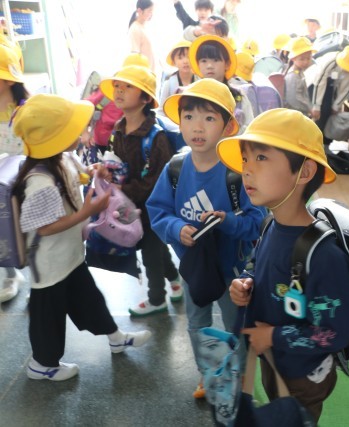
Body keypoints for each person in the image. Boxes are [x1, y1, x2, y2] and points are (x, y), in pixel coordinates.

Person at [220, 108, 349, 422]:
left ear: (304, 172)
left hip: (304, 375)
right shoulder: (270, 224)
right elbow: (258, 262)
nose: (247, 170)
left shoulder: (323, 255)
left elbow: (333, 334)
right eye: (245, 159)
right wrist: (247, 280)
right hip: (273, 359)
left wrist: (274, 337)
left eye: (261, 158)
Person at [11, 94, 152, 381]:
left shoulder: (63, 158)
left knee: (90, 299)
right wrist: (87, 212)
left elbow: (79, 177)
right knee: (48, 317)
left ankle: (115, 337)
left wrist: (93, 172)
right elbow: (44, 228)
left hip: (69, 258)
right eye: (72, 130)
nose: (82, 133)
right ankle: (42, 364)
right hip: (49, 268)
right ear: (54, 139)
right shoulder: (39, 181)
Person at [146, 78, 265, 398]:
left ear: (228, 127)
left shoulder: (238, 172)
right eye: (188, 117)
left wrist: (228, 222)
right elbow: (157, 211)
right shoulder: (175, 168)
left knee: (236, 324)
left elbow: (258, 222)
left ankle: (241, 377)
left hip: (233, 271)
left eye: (209, 118)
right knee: (197, 323)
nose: (197, 127)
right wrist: (175, 229)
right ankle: (207, 373)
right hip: (193, 267)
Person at [100, 63, 182, 316]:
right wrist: (108, 173)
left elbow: (158, 180)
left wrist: (124, 189)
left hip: (154, 208)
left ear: (146, 98)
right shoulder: (119, 128)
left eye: (128, 87)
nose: (119, 90)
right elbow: (117, 161)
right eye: (117, 86)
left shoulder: (156, 136)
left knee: (150, 252)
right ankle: (175, 279)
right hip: (130, 205)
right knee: (154, 248)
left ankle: (157, 299)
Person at [0, 43, 28, 303]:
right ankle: (11, 274)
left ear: (9, 80)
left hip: (26, 180)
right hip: (1, 184)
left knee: (31, 230)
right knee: (3, 231)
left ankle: (40, 283)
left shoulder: (25, 110)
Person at [188, 35, 254, 133]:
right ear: (198, 65)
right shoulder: (191, 96)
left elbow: (250, 126)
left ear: (227, 64)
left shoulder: (239, 97)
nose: (209, 66)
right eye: (204, 61)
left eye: (216, 60)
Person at [311, 45, 349, 145]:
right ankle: (314, 143)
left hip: (332, 87)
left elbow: (346, 88)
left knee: (328, 114)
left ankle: (325, 144)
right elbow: (319, 83)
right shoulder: (330, 61)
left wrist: (336, 106)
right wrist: (316, 106)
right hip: (316, 84)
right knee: (318, 115)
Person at [158, 39, 195, 111]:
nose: (185, 61)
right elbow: (161, 110)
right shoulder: (169, 84)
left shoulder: (201, 81)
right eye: (180, 58)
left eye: (188, 56)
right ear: (174, 62)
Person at [283, 37, 315, 117]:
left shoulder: (299, 72)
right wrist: (309, 109)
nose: (306, 62)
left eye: (308, 58)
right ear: (293, 59)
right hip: (294, 116)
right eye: (302, 59)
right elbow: (294, 99)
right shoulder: (293, 76)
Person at [128, 0, 156, 73]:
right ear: (139, 11)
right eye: (149, 11)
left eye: (152, 11)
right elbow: (135, 54)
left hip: (151, 73)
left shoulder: (145, 27)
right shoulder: (135, 28)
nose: (151, 14)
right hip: (143, 74)